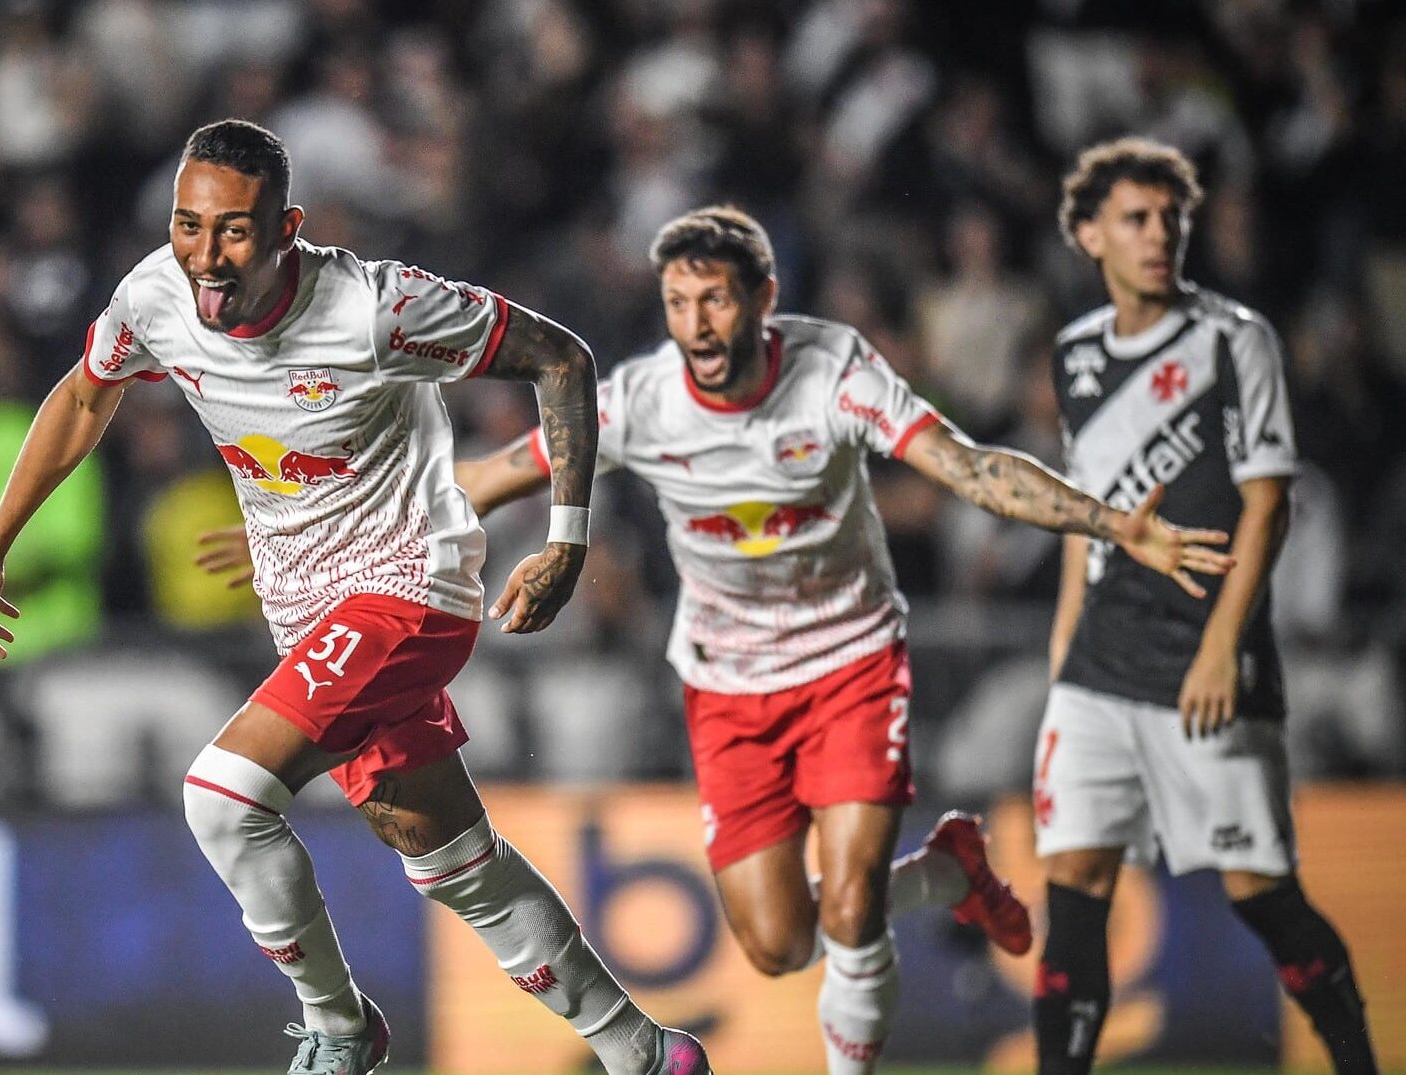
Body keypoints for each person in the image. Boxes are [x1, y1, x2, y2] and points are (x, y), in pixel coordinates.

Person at [204, 203, 1233, 1075]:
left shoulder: (832, 373)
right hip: (726, 684)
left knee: (850, 912)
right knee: (783, 942)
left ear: (761, 299)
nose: (698, 321)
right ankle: (952, 870)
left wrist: (1115, 522)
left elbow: (967, 467)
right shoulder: (646, 401)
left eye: (718, 298)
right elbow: (484, 473)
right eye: (680, 303)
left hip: (847, 663)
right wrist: (337, 537)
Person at [0, 119, 709, 1075]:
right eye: (189, 225)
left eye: (234, 231)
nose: (206, 256)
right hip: (305, 613)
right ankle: (643, 1050)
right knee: (443, 854)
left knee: (222, 797)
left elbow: (562, 360)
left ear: (287, 228)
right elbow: (82, 396)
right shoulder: (154, 295)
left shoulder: (376, 308)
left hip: (409, 591)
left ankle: (342, 1028)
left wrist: (565, 542)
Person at [1034, 137, 1377, 1075]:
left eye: (1169, 219)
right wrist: (1066, 647)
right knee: (1073, 882)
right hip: (1100, 667)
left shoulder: (1235, 339)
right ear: (1089, 234)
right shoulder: (1073, 354)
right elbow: (1082, 511)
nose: (1158, 236)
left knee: (1263, 891)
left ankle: (1359, 1063)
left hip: (1206, 663)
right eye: (1137, 219)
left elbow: (1269, 498)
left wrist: (1223, 647)